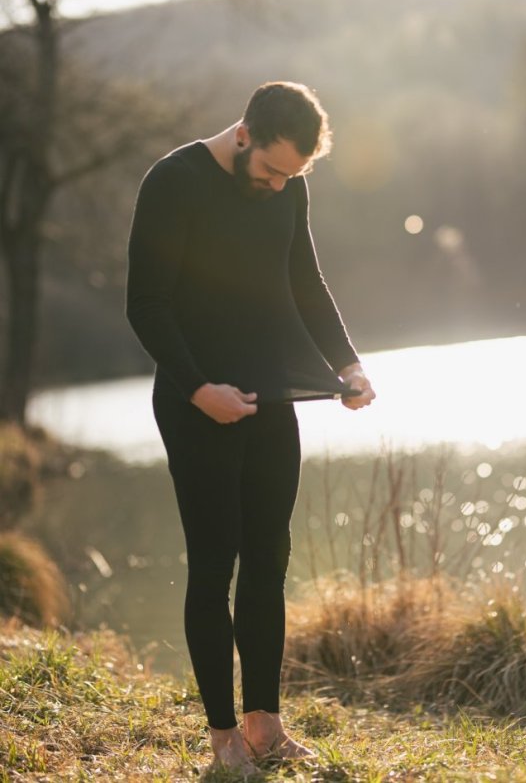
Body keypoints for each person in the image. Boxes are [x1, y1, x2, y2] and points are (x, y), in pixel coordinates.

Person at [126, 81, 375, 776]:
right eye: (270, 171)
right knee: (215, 565)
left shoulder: (287, 187)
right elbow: (143, 303)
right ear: (243, 135)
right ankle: (224, 737)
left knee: (269, 556)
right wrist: (199, 389)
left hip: (270, 397)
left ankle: (266, 724)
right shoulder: (173, 183)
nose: (276, 187)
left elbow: (306, 283)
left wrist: (347, 365)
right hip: (195, 401)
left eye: (290, 177)